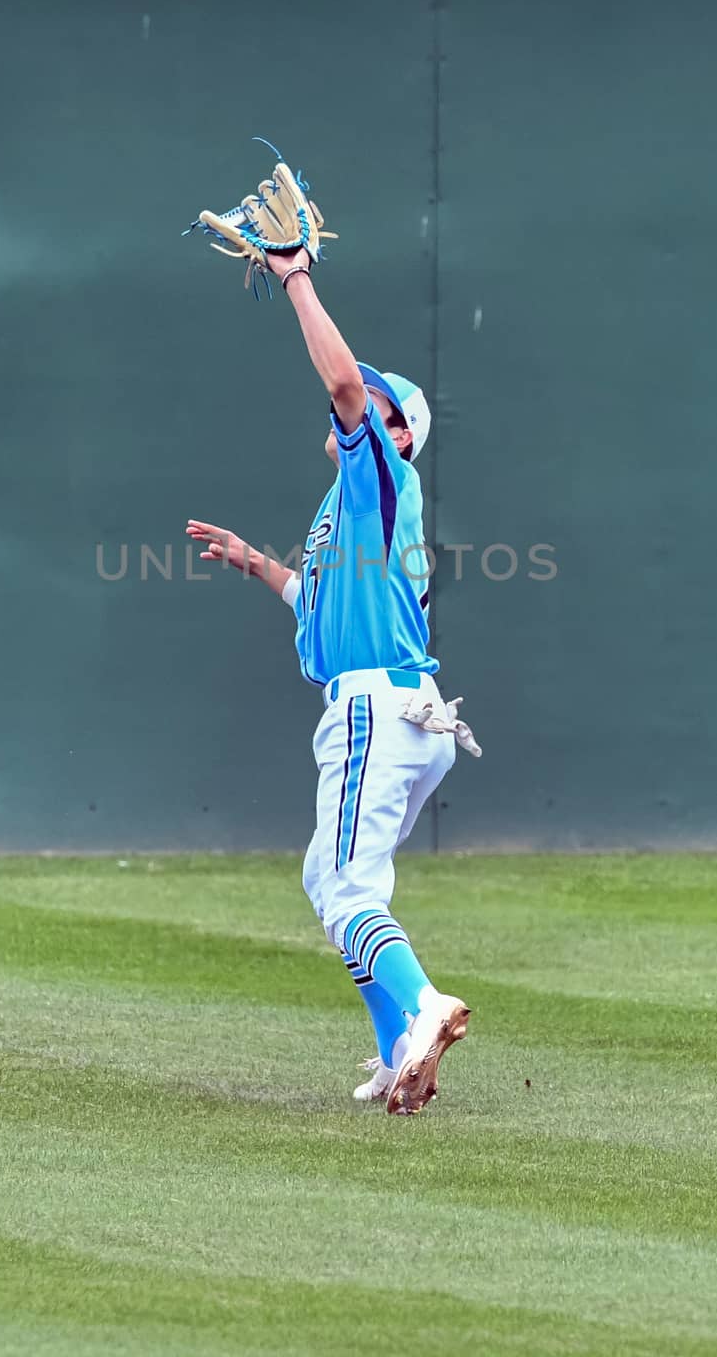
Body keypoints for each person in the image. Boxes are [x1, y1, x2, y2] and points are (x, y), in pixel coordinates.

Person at [186, 245, 476, 1116]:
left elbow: (346, 388)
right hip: (408, 712)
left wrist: (295, 277)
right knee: (332, 878)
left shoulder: (381, 471)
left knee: (345, 888)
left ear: (398, 435)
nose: (353, 399)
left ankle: (422, 1007)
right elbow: (317, 602)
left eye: (378, 405)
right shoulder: (349, 509)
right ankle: (399, 1052)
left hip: (377, 709)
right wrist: (258, 567)